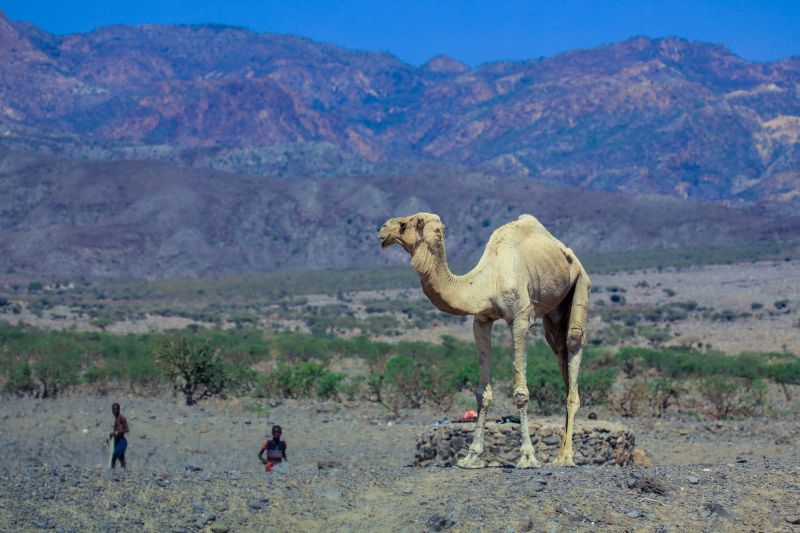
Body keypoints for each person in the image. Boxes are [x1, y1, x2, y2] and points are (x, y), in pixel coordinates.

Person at [109, 402, 129, 470]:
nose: (115, 410)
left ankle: (112, 471)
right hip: (116, 442)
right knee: (121, 458)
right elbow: (115, 432)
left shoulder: (121, 418)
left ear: (119, 409)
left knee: (114, 455)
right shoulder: (116, 419)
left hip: (122, 441)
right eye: (113, 409)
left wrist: (117, 433)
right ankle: (125, 471)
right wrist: (111, 436)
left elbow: (126, 429)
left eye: (116, 409)